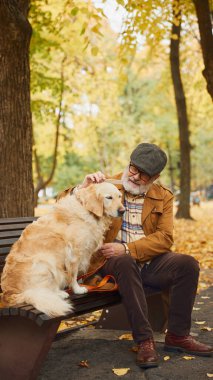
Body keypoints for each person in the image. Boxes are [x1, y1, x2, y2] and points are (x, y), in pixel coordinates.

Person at [74, 143, 212, 368]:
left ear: (155, 177)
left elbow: (165, 238)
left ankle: (177, 336)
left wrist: (128, 248)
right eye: (133, 169)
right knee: (125, 261)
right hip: (111, 264)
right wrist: (83, 187)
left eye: (143, 175)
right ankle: (145, 340)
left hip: (146, 262)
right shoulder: (106, 185)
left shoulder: (163, 196)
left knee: (188, 264)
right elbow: (65, 202)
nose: (135, 176)